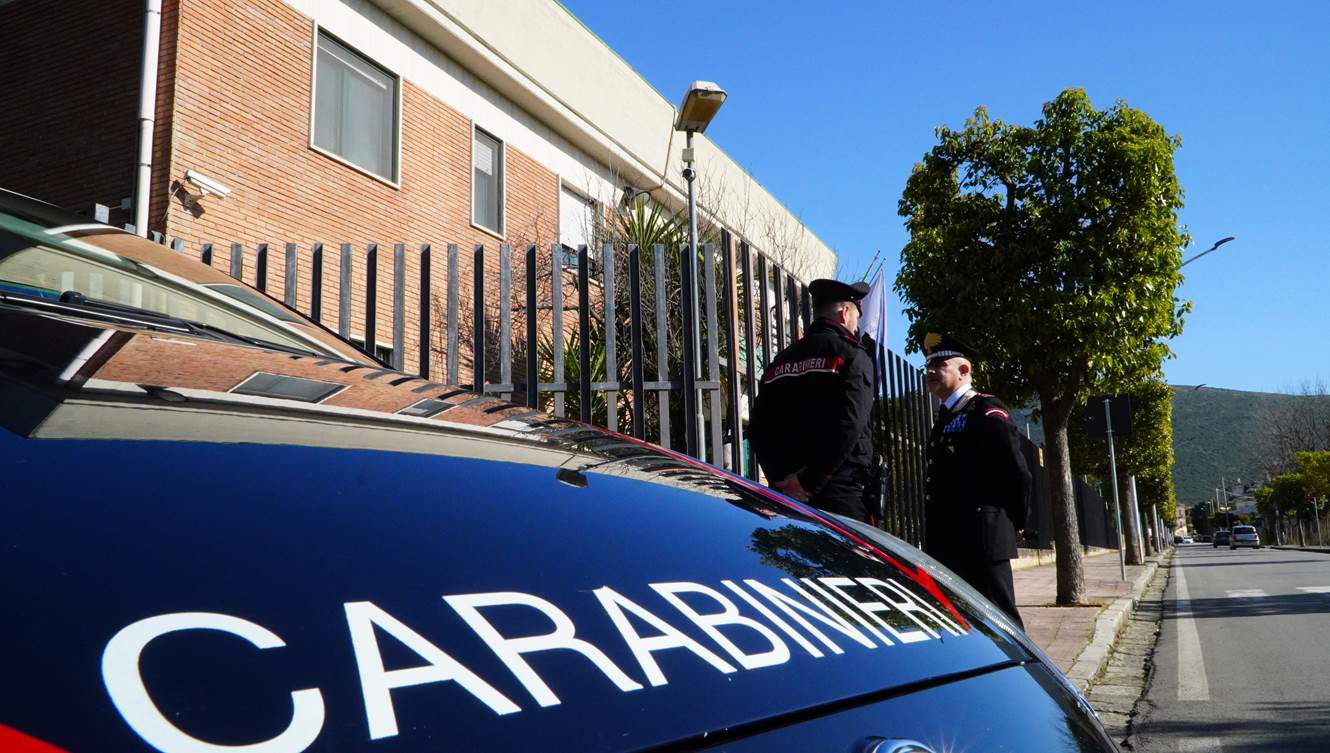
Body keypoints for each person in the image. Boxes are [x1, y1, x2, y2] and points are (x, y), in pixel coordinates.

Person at [920, 332, 1031, 629]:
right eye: (928, 366)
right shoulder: (945, 416)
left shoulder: (985, 409)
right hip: (948, 539)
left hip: (982, 538)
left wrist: (1017, 520)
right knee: (961, 622)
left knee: (1002, 623)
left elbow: (1016, 471)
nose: (931, 372)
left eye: (940, 365)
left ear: (964, 370)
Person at [749, 279, 875, 522]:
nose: (856, 327)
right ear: (844, 313)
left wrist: (782, 480)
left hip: (786, 496)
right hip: (840, 494)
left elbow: (757, 428)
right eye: (856, 318)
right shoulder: (853, 356)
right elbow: (849, 424)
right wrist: (807, 482)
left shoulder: (780, 361)